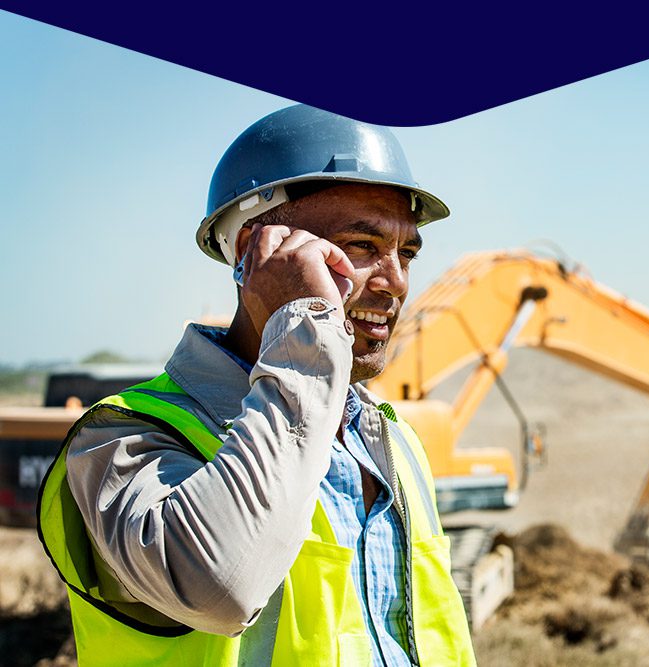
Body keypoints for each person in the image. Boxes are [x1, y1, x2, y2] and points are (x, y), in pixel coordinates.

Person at [38, 104, 476, 666]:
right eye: (363, 246)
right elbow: (221, 587)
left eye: (407, 252)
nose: (396, 282)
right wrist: (305, 330)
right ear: (253, 250)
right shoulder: (124, 439)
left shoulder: (393, 442)